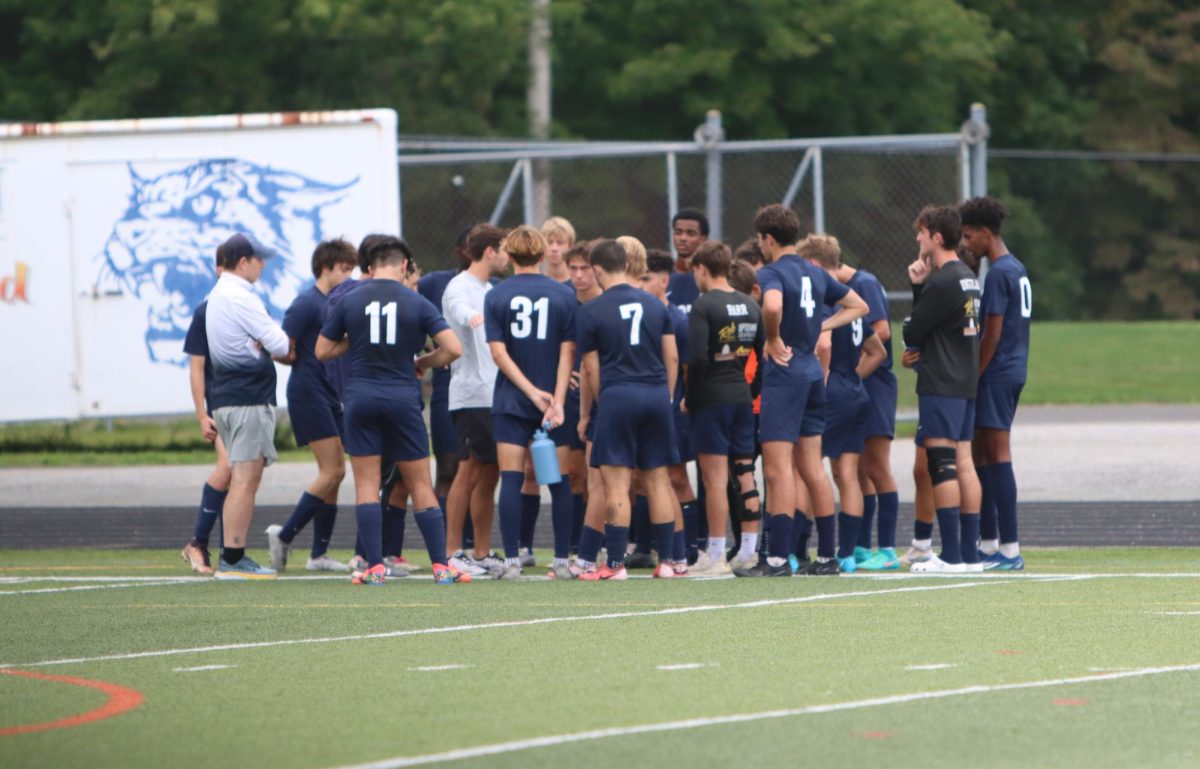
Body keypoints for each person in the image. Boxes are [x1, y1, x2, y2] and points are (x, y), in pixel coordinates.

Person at [315, 236, 468, 585]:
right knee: (420, 484)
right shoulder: (415, 301)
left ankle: (373, 567)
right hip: (402, 398)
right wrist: (423, 362)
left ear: (369, 268)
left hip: (360, 397)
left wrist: (356, 340)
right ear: (404, 266)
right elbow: (453, 348)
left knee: (368, 484)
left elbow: (322, 351)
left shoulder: (350, 299)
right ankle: (441, 566)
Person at [748, 205, 868, 577]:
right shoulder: (813, 271)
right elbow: (858, 305)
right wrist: (820, 326)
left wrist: (772, 337)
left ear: (768, 239)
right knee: (812, 467)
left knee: (779, 468)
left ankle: (778, 558)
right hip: (814, 375)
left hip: (785, 375)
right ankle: (828, 556)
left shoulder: (771, 272)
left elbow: (771, 304)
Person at [577, 239, 681, 580]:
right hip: (655, 394)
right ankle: (668, 562)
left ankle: (616, 564)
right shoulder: (655, 305)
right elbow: (672, 357)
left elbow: (590, 370)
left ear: (596, 270)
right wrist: (663, 396)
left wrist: (594, 409)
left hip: (617, 397)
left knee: (617, 483)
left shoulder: (591, 310)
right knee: (658, 479)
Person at [484, 226, 578, 580]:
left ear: (508, 256)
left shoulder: (496, 295)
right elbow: (568, 351)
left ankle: (510, 561)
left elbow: (498, 353)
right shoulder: (563, 294)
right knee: (559, 481)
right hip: (554, 402)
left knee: (510, 478)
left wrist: (528, 392)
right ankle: (561, 560)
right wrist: (554, 398)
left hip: (511, 399)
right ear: (541, 255)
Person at [265, 239, 357, 573]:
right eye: (344, 269)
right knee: (333, 470)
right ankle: (284, 534)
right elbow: (281, 347)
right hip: (308, 392)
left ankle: (318, 555)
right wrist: (302, 360)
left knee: (333, 474)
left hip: (331, 392)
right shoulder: (306, 302)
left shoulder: (338, 300)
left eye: (352, 269)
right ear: (326, 268)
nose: (349, 275)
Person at [205, 234, 294, 579]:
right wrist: (265, 341)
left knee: (241, 478)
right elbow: (280, 343)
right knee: (245, 479)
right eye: (259, 259)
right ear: (243, 262)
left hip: (228, 398)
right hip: (247, 399)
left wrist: (263, 342)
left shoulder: (218, 294)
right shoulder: (241, 296)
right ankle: (233, 556)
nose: (263, 265)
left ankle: (232, 553)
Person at [902, 205, 984, 573]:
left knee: (942, 463)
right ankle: (969, 555)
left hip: (942, 381)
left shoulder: (943, 280)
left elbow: (912, 331)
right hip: (965, 380)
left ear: (936, 237)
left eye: (921, 232)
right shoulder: (968, 275)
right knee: (964, 463)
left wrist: (917, 288)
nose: (918, 238)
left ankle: (951, 555)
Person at [800, 235, 888, 573]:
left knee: (808, 469)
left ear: (815, 267)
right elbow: (877, 351)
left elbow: (822, 347)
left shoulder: (822, 307)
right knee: (847, 474)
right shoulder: (849, 304)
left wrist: (828, 383)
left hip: (832, 395)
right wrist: (852, 378)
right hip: (856, 394)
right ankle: (848, 553)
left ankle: (797, 549)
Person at [682, 241, 764, 577]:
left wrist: (691, 396)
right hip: (742, 399)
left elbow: (698, 359)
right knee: (744, 473)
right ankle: (747, 551)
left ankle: (715, 554)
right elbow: (761, 357)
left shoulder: (703, 305)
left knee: (714, 479)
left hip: (713, 399)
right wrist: (750, 392)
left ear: (702, 269)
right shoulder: (749, 304)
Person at [960, 196, 1030, 571]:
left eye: (969, 236)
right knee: (982, 454)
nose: (967, 244)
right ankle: (989, 543)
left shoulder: (1000, 273)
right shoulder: (1016, 267)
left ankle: (1010, 549)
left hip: (998, 371)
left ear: (986, 233)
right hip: (1012, 369)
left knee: (997, 454)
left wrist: (975, 372)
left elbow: (992, 334)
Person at [442, 224, 509, 576]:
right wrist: (473, 317)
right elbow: (457, 310)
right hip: (471, 395)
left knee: (490, 472)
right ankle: (453, 551)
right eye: (505, 249)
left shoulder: (491, 288)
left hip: (495, 394)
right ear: (489, 252)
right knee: (466, 470)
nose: (508, 257)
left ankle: (481, 552)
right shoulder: (460, 286)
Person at [631, 251, 694, 572]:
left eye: (646, 278)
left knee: (675, 478)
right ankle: (644, 546)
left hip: (671, 410)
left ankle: (688, 547)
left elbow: (685, 368)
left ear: (664, 282)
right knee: (641, 479)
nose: (640, 285)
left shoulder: (677, 320)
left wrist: (677, 401)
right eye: (638, 278)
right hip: (650, 408)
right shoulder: (641, 314)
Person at [417, 229, 472, 536]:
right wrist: (429, 350)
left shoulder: (494, 287)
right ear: (460, 251)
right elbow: (405, 306)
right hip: (447, 385)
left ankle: (473, 543)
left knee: (478, 469)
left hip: (482, 389)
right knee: (448, 468)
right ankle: (444, 542)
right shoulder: (435, 283)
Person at [180, 246, 230, 576]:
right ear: (218, 270)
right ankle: (198, 542)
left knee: (242, 474)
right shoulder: (205, 311)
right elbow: (196, 367)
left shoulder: (250, 307)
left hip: (247, 402)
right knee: (228, 467)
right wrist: (201, 413)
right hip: (222, 403)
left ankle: (231, 551)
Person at [667, 208, 708, 313]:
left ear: (703, 238)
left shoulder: (711, 276)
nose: (683, 238)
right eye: (678, 232)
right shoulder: (664, 274)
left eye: (691, 233)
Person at [541, 216, 575, 283]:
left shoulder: (579, 286)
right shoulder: (538, 285)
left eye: (560, 243)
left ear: (570, 245)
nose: (554, 249)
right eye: (549, 242)